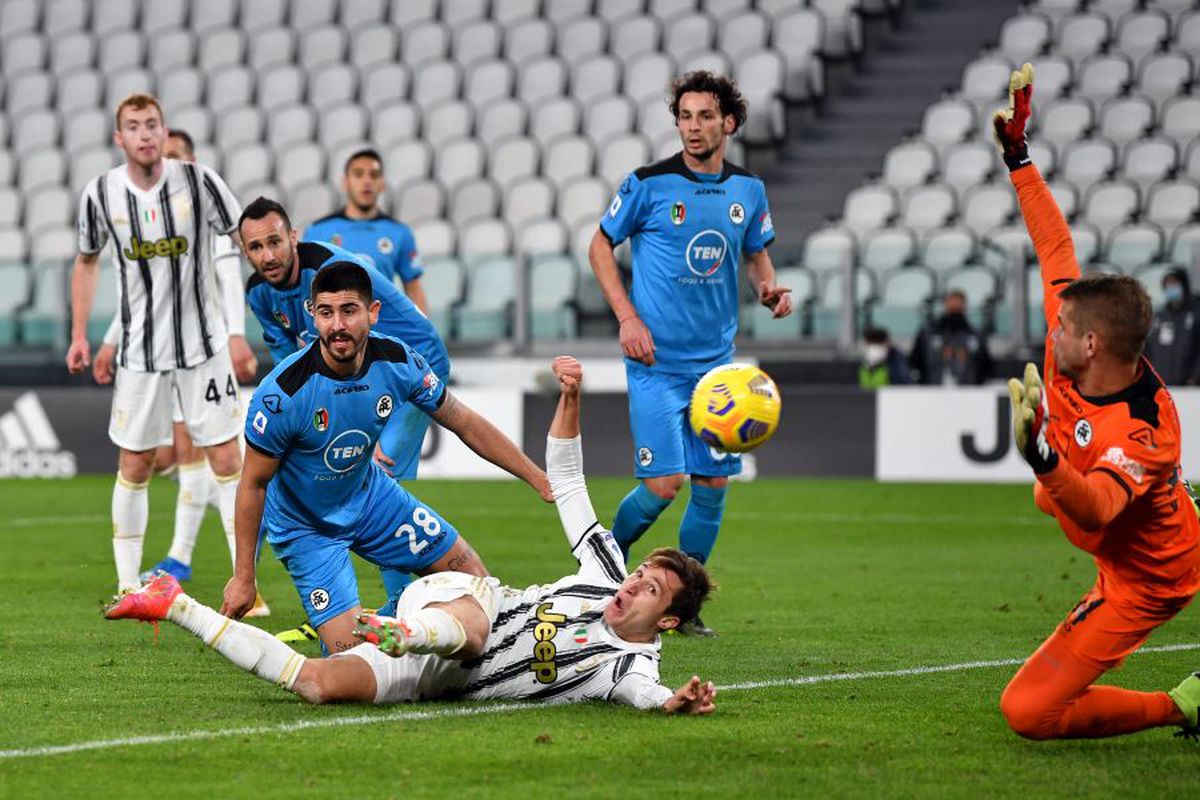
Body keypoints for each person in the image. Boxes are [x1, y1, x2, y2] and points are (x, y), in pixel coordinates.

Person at [106, 356, 718, 715]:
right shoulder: (604, 571)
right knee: (474, 630)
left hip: (438, 676)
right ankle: (404, 628)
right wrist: (571, 396)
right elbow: (568, 474)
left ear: (666, 622)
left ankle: (172, 603)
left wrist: (676, 703)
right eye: (640, 574)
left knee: (320, 683)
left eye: (649, 590)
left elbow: (649, 696)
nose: (631, 585)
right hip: (469, 604)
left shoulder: (628, 666)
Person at [993, 63, 1200, 740]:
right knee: (1049, 497)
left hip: (1149, 576)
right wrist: (1019, 159)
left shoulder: (1142, 430)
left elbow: (1103, 507)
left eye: (1061, 328)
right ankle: (1184, 498)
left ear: (1091, 344)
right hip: (1112, 525)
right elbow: (1054, 243)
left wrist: (1042, 455)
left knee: (1028, 713)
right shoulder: (1076, 342)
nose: (1049, 330)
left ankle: (1185, 704)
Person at [217, 260, 551, 655]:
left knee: (475, 582)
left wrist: (537, 477)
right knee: (352, 657)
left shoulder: (398, 362)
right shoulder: (282, 395)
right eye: (326, 313)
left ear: (372, 313)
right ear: (313, 315)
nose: (337, 325)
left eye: (349, 310)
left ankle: (419, 630)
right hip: (306, 528)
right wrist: (244, 576)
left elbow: (464, 422)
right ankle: (373, 630)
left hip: (371, 498)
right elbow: (253, 483)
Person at [588, 71, 792, 636]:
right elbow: (599, 244)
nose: (692, 126)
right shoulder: (648, 184)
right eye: (684, 116)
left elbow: (756, 253)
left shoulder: (748, 190)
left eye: (704, 116)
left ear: (729, 122)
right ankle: (601, 563)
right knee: (664, 484)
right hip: (656, 363)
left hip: (717, 371)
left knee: (713, 485)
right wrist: (627, 317)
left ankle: (688, 607)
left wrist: (768, 288)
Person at [67, 93, 247, 594]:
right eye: (134, 126)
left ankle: (244, 584)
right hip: (140, 354)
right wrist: (82, 335)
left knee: (227, 459)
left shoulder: (199, 179)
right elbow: (85, 262)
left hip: (203, 348)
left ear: (165, 133)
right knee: (136, 463)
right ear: (118, 137)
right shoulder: (101, 193)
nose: (146, 134)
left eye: (153, 125)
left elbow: (240, 236)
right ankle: (128, 588)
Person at [240, 197, 453, 610]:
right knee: (305, 481)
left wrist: (365, 417)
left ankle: (398, 613)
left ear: (293, 238)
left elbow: (378, 349)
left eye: (275, 242)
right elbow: (291, 363)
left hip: (410, 368)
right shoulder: (260, 294)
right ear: (243, 251)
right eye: (256, 247)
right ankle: (343, 606)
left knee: (383, 483)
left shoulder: (327, 274)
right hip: (352, 381)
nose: (268, 256)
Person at [303, 148, 428, 314]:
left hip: (384, 332)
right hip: (334, 332)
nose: (367, 181)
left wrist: (422, 333)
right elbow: (304, 289)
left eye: (374, 175)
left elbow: (413, 289)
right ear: (345, 182)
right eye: (358, 174)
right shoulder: (317, 231)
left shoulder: (400, 233)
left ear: (382, 184)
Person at [908, 290, 992, 385]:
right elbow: (915, 362)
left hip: (968, 391)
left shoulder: (976, 336)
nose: (955, 312)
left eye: (958, 308)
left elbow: (985, 367)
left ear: (964, 307)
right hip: (933, 391)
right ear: (946, 306)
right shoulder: (928, 335)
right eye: (952, 308)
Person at [1144, 267, 1200, 386]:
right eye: (1168, 285)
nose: (1171, 288)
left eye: (1175, 284)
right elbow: (1148, 349)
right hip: (1162, 385)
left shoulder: (1195, 313)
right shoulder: (1160, 317)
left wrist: (1194, 378)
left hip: (1190, 387)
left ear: (1184, 285)